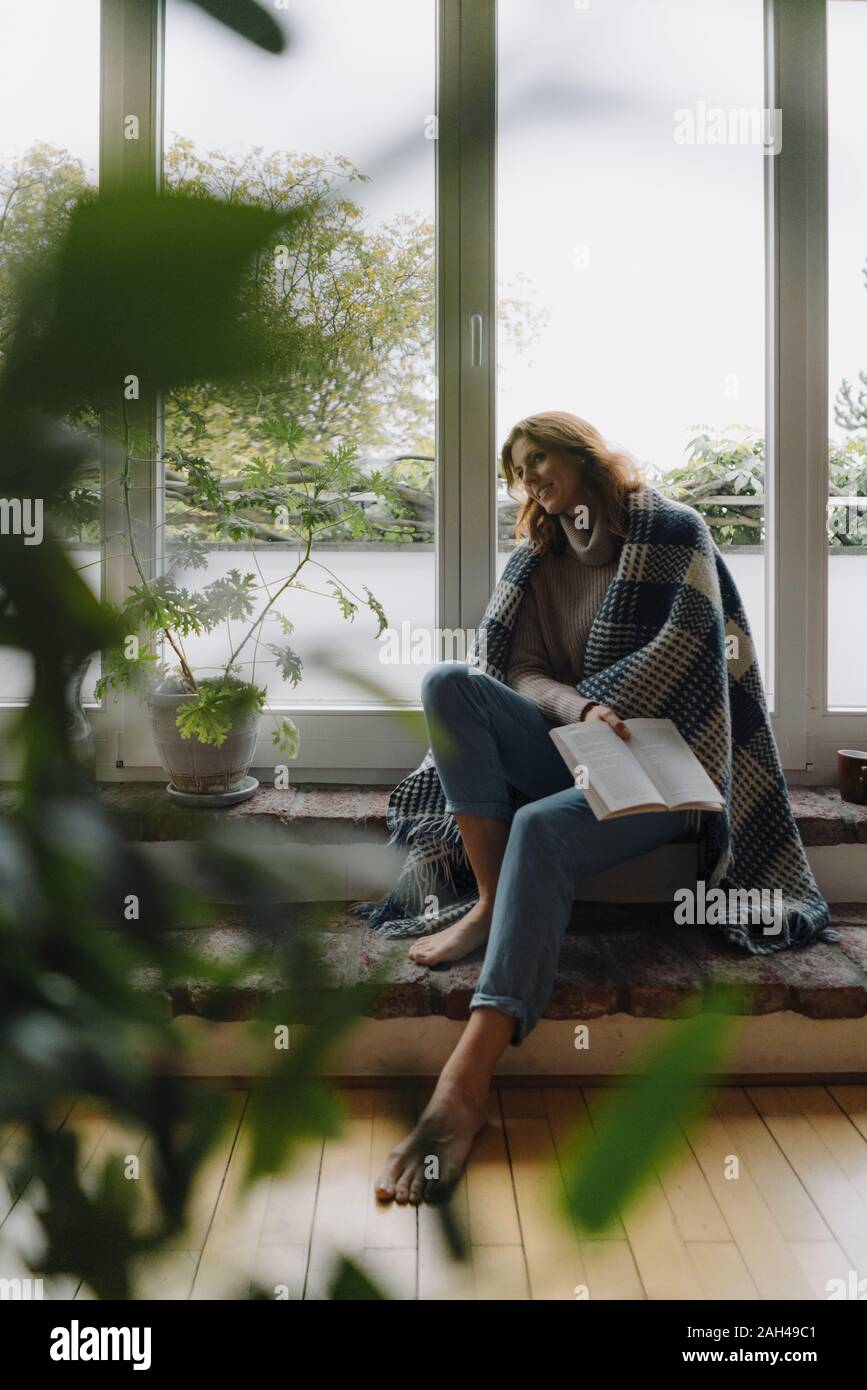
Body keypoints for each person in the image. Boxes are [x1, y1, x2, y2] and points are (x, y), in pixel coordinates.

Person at [374, 411, 693, 1205]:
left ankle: (464, 1085)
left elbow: (689, 652)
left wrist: (607, 711)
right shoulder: (537, 561)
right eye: (516, 470)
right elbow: (517, 670)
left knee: (539, 826)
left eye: (538, 457)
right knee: (450, 683)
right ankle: (488, 901)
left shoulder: (671, 533)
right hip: (576, 745)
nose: (528, 479)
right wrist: (580, 709)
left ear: (583, 455)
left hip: (659, 769)